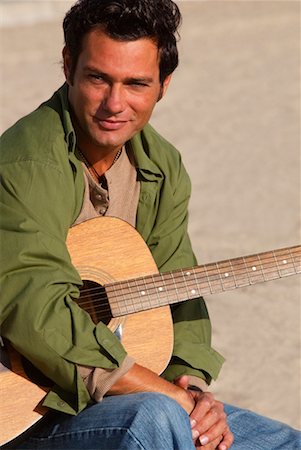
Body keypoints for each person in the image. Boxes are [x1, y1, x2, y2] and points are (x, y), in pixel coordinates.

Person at [0, 0, 300, 449]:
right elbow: (38, 312)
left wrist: (192, 388)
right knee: (154, 418)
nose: (114, 103)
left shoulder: (159, 167)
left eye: (136, 83)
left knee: (280, 441)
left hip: (126, 396)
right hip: (28, 414)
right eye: (98, 78)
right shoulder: (25, 165)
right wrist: (166, 396)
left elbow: (179, 289)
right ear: (68, 65)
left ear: (164, 85)